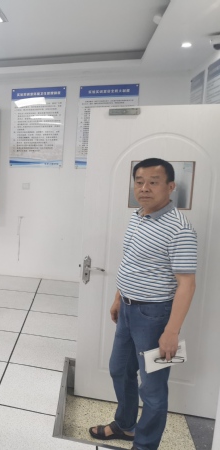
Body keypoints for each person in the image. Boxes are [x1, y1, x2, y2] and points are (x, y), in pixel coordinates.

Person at [89, 158, 197, 450]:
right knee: (119, 369)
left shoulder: (180, 229)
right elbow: (131, 262)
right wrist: (118, 298)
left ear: (170, 187)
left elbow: (187, 284)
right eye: (139, 182)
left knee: (152, 388)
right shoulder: (137, 217)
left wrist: (171, 331)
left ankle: (145, 445)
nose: (144, 188)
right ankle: (125, 425)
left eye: (153, 182)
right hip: (127, 308)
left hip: (155, 316)